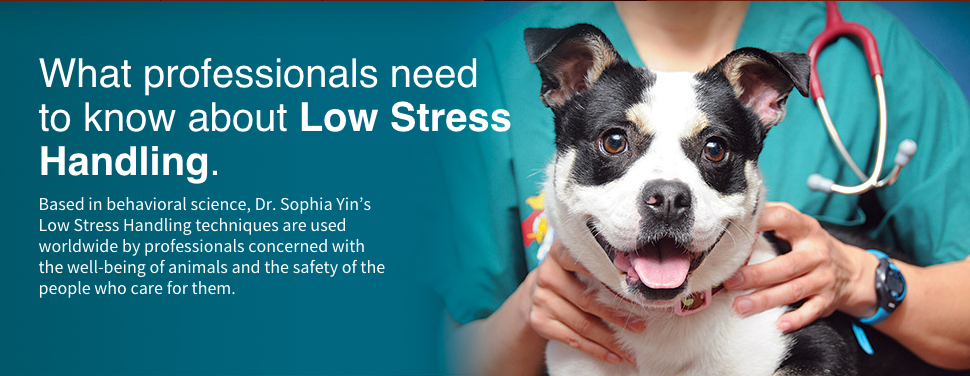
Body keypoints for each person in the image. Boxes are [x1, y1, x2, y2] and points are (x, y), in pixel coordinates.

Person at [434, 2, 970, 374]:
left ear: (766, 103)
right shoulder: (496, 69)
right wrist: (530, 310)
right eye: (616, 142)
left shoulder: (872, 51)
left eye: (712, 150)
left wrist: (858, 276)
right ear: (567, 83)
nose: (667, 194)